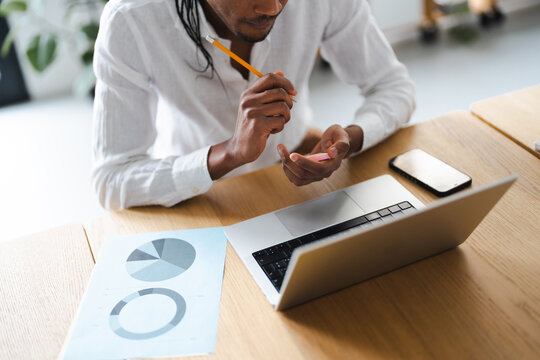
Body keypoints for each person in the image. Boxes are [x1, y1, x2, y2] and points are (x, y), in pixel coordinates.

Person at [92, 0, 415, 210]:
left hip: (294, 169)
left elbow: (392, 87)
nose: (272, 8)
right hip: (192, 195)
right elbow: (112, 180)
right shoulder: (132, 20)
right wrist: (230, 153)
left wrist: (351, 137)